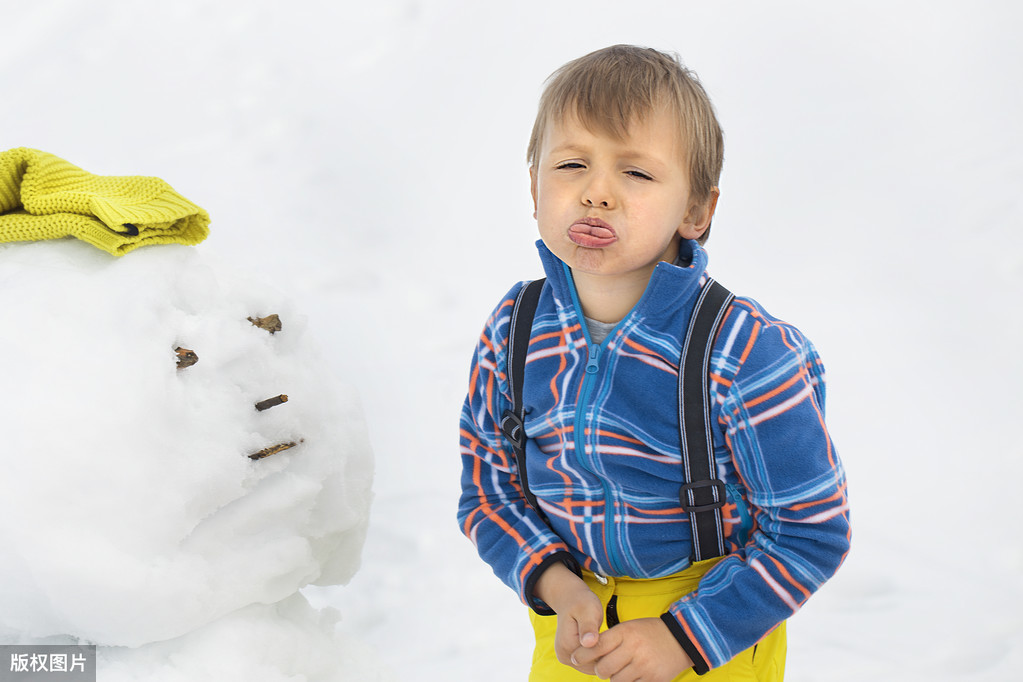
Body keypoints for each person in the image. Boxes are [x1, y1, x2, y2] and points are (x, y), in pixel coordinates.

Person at [457, 45, 850, 681]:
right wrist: (554, 582)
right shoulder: (516, 328)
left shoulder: (744, 350)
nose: (596, 193)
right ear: (534, 185)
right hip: (575, 628)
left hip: (709, 632)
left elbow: (811, 530)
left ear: (696, 211)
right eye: (572, 164)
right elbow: (489, 490)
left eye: (636, 174)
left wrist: (683, 640)